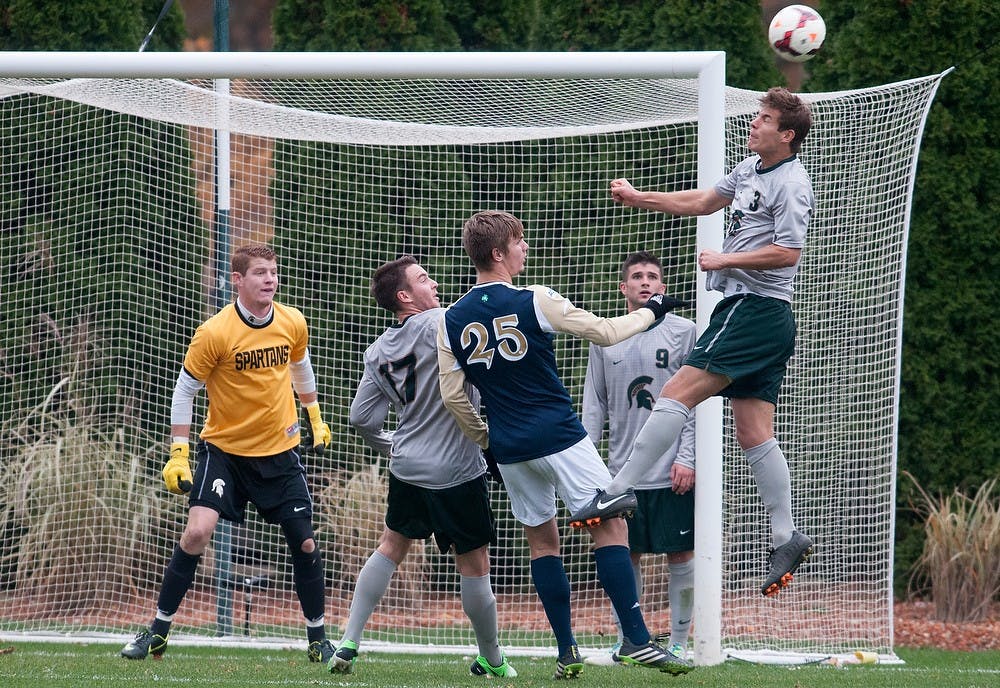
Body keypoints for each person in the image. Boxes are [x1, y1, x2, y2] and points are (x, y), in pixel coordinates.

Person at [571, 87, 815, 597]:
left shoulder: (792, 183)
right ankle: (786, 535)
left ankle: (616, 492)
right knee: (752, 432)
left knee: (674, 396)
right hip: (760, 317)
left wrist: (726, 261)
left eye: (764, 119)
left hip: (754, 310)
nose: (754, 123)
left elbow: (789, 253)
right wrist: (642, 198)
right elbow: (705, 201)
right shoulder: (750, 168)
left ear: (786, 134)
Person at [437, 210, 693, 677]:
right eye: (519, 242)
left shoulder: (449, 319)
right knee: (612, 526)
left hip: (510, 448)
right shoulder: (535, 298)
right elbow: (605, 332)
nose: (526, 249)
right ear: (498, 253)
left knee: (543, 543)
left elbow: (454, 398)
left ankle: (566, 651)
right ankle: (636, 639)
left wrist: (488, 442)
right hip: (558, 434)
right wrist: (651, 311)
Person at [121, 244, 336, 666]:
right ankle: (157, 631)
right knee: (198, 532)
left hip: (280, 453)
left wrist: (314, 414)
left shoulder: (292, 321)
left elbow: (301, 366)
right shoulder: (214, 332)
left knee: (306, 543)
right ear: (237, 280)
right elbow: (185, 391)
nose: (270, 279)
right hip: (225, 454)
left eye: (273, 271)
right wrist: (178, 454)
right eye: (259, 272)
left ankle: (318, 639)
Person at [332, 256, 516, 678]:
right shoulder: (446, 322)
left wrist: (393, 444)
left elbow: (361, 418)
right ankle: (493, 655)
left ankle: (349, 640)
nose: (433, 283)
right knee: (474, 564)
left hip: (407, 468)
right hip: (456, 469)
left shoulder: (376, 350)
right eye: (423, 278)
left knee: (391, 546)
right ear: (404, 296)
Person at [581, 251, 697, 665]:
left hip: (671, 471)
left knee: (680, 555)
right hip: (620, 474)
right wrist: (588, 464)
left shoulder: (685, 332)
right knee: (623, 555)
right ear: (624, 288)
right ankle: (628, 639)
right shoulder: (607, 335)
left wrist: (688, 457)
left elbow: (697, 401)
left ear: (662, 287)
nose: (645, 282)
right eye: (637, 276)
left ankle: (681, 641)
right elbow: (593, 405)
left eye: (652, 276)